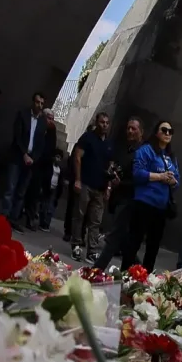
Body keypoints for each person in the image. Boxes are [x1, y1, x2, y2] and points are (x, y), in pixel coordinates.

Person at [92, 118, 144, 272]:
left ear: (141, 132)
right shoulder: (127, 150)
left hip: (130, 200)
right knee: (125, 241)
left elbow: (139, 178)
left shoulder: (142, 152)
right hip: (121, 198)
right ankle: (141, 270)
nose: (130, 131)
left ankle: (96, 270)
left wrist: (121, 183)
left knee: (114, 237)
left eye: (133, 128)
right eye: (128, 128)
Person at [128, 121, 179, 272]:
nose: (168, 133)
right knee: (134, 241)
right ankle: (126, 273)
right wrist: (160, 176)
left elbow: (177, 180)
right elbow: (137, 173)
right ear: (157, 132)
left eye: (170, 131)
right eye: (164, 130)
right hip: (144, 203)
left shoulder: (171, 157)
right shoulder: (146, 150)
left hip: (161, 207)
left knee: (153, 246)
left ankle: (146, 276)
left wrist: (172, 181)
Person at [68, 112, 114, 261]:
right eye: (102, 122)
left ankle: (92, 250)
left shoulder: (108, 144)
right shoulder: (88, 138)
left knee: (96, 221)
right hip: (86, 183)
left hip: (100, 187)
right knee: (79, 215)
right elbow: (77, 157)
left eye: (107, 123)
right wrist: (77, 179)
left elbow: (110, 167)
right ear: (96, 122)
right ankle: (76, 245)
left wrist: (108, 187)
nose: (104, 125)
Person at [2, 91, 47, 226]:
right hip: (18, 156)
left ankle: (13, 218)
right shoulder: (23, 114)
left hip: (30, 161)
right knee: (10, 188)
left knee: (21, 191)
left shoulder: (43, 122)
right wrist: (24, 154)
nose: (39, 105)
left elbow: (41, 143)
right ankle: (4, 217)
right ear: (33, 102)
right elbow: (17, 136)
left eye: (42, 103)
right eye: (37, 102)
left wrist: (33, 158)